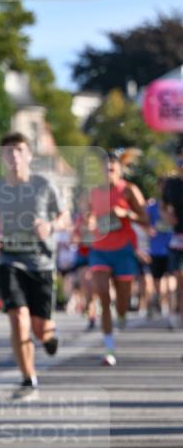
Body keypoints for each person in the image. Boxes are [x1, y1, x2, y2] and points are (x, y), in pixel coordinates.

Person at [0, 132, 66, 396]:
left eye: (18, 150)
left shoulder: (43, 185)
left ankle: (48, 337)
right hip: (10, 260)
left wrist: (50, 225)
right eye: (8, 151)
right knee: (18, 318)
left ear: (29, 155)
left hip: (40, 262)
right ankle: (28, 377)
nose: (13, 156)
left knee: (40, 329)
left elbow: (64, 217)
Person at [85, 149, 148, 365]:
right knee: (103, 295)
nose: (108, 173)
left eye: (112, 169)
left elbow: (145, 219)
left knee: (122, 302)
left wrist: (127, 214)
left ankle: (121, 315)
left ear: (119, 170)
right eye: (104, 170)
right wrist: (89, 222)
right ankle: (109, 348)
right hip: (99, 250)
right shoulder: (92, 192)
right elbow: (86, 215)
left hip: (124, 251)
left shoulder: (129, 190)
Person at [146, 181, 174, 319]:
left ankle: (170, 305)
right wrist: (148, 230)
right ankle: (159, 302)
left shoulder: (174, 205)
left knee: (171, 279)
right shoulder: (152, 207)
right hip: (156, 250)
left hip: (172, 248)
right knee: (157, 280)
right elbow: (144, 222)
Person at [163, 147, 183, 330]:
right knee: (178, 277)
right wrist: (167, 216)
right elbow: (163, 205)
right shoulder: (172, 183)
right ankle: (176, 311)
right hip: (178, 237)